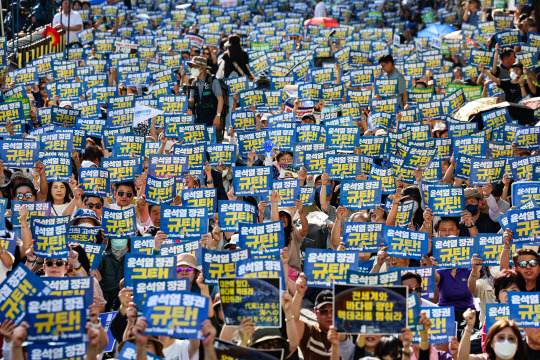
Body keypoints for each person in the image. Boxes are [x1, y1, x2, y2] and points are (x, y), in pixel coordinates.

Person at [458, 309, 526, 360]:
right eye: (501, 338)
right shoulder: (485, 358)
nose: (506, 342)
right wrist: (469, 327)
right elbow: (463, 358)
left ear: (517, 344)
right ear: (491, 343)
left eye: (511, 339)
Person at [188, 56, 225, 132]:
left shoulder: (213, 80)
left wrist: (218, 116)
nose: (193, 68)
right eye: (192, 66)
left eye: (196, 66)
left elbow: (220, 99)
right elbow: (191, 102)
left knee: (213, 143)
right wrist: (184, 100)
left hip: (212, 119)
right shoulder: (194, 83)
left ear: (202, 68)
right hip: (198, 120)